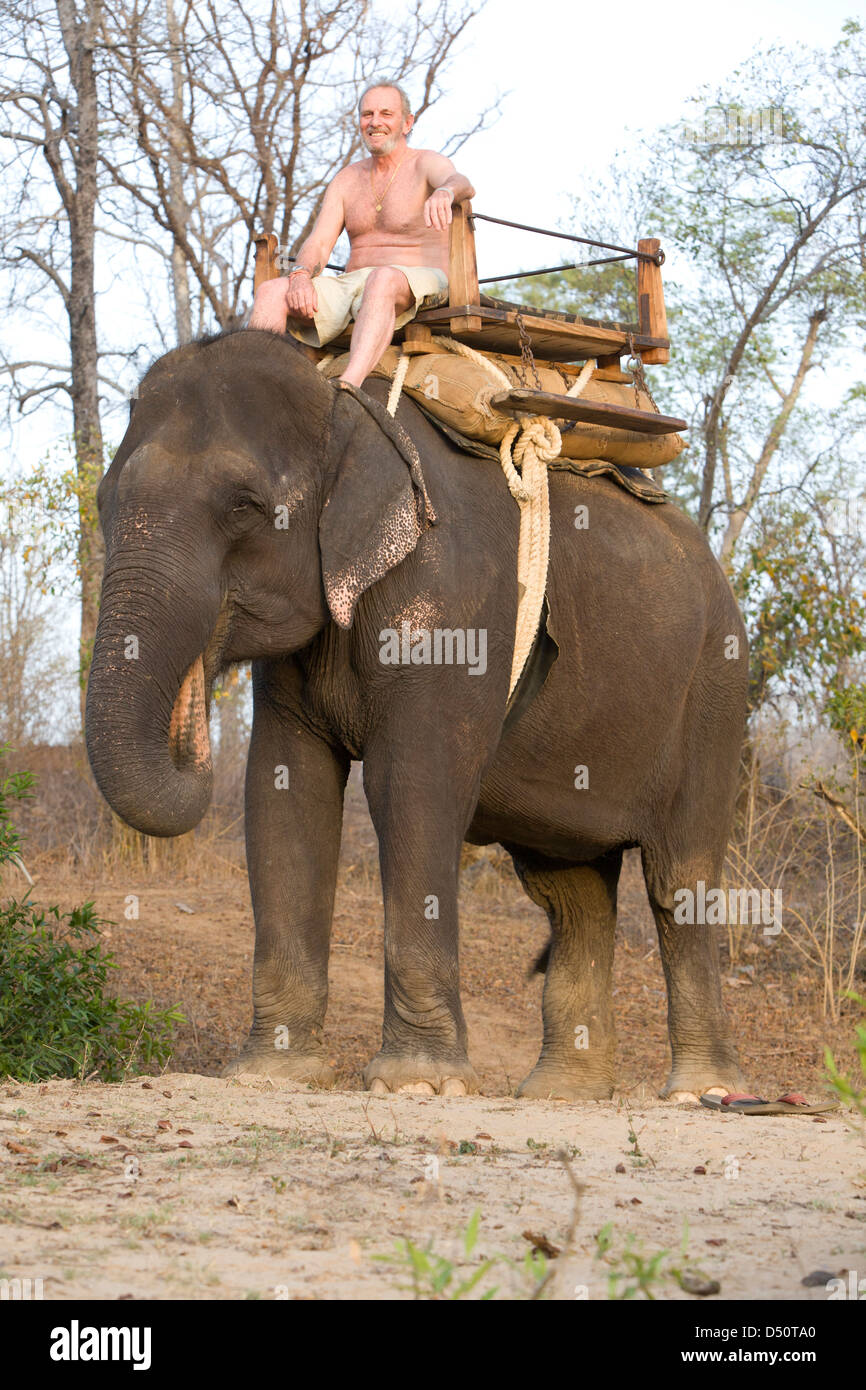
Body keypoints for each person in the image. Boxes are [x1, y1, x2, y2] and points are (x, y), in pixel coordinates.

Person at [248, 81, 475, 388]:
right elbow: (320, 242)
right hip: (355, 285)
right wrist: (300, 275)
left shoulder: (426, 163)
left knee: (382, 278)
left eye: (386, 113)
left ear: (407, 122)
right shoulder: (347, 179)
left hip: (421, 281)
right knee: (271, 292)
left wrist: (445, 193)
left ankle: (347, 387)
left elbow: (461, 181)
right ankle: (254, 389)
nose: (375, 122)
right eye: (367, 114)